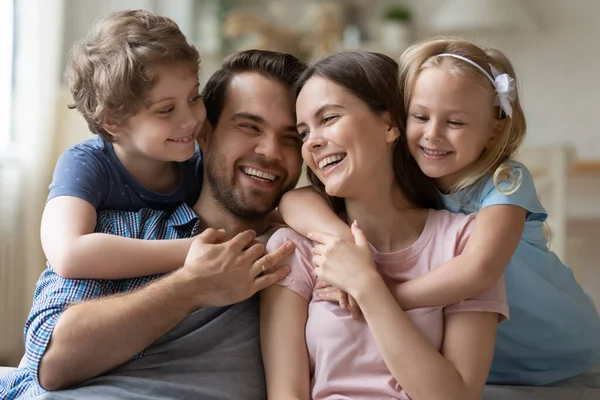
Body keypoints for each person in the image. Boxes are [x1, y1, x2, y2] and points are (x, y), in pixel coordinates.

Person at [277, 38, 600, 386]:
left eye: (455, 123)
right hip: (491, 366)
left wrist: (375, 292)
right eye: (420, 116)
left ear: (495, 128)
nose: (432, 135)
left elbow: (479, 270)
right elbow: (293, 201)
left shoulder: (503, 182)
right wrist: (344, 244)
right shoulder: (411, 183)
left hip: (562, 351)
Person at [0, 48, 306, 400]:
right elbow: (50, 363)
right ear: (203, 134)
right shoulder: (122, 230)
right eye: (249, 126)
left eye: (290, 138)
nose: (270, 150)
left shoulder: (302, 255)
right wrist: (192, 286)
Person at [261, 51, 509, 400]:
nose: (312, 142)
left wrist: (368, 286)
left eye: (329, 118)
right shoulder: (295, 248)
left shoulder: (463, 243)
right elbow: (286, 394)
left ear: (391, 124)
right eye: (303, 133)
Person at [43, 9, 206, 281]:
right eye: (166, 110)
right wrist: (193, 250)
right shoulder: (86, 164)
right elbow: (68, 254)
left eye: (193, 97)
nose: (191, 119)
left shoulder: (200, 166)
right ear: (113, 122)